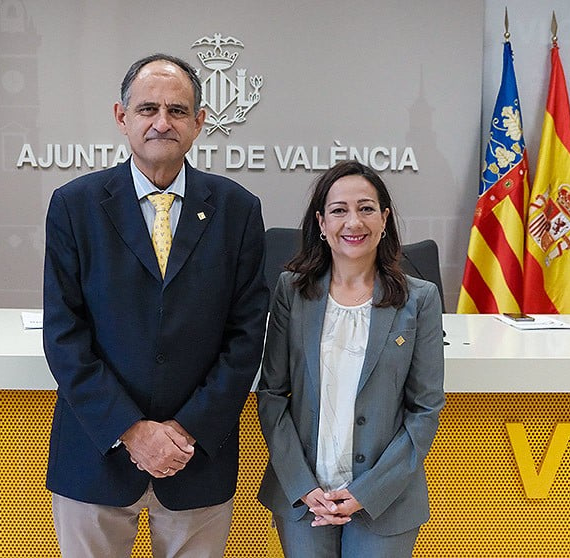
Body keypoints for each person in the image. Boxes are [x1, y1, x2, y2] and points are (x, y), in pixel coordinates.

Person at [42, 53, 268, 557]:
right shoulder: (74, 206)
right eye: (147, 109)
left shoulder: (238, 209)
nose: (162, 122)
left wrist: (183, 430)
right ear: (122, 118)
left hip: (197, 459)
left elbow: (247, 335)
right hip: (96, 456)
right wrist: (132, 430)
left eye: (177, 110)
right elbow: (64, 334)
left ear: (199, 122)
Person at [256, 161, 445, 557]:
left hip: (384, 498)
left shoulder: (420, 298)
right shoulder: (292, 290)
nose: (353, 221)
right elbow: (273, 394)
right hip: (305, 494)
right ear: (322, 224)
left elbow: (425, 409)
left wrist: (367, 492)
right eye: (339, 210)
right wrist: (303, 485)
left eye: (366, 208)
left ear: (384, 219)